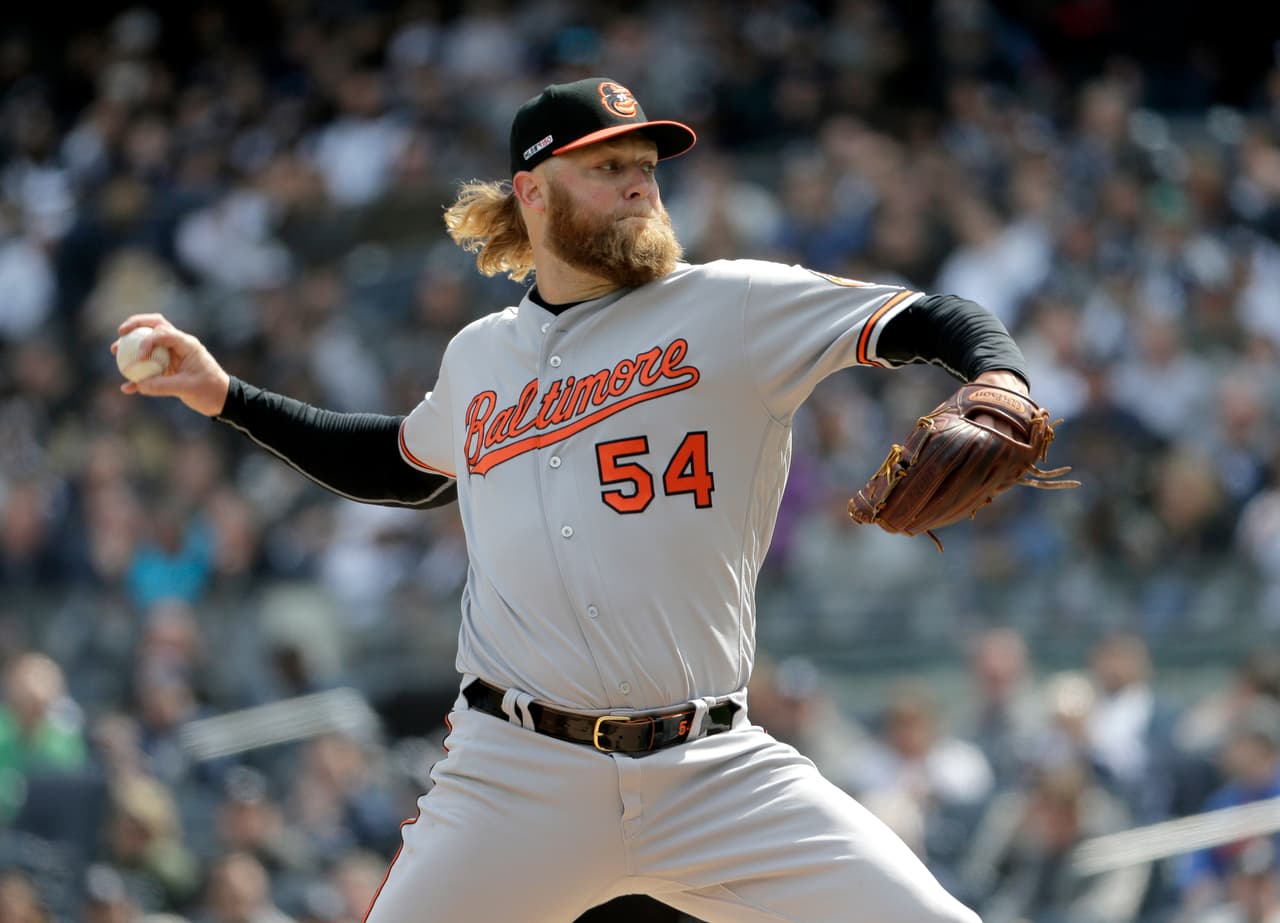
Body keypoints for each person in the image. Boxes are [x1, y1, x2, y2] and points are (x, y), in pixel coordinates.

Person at [111, 76, 1049, 923]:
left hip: (710, 766)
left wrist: (1000, 379)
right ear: (533, 192)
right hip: (514, 776)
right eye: (608, 167)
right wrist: (227, 396)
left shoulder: (734, 306)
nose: (641, 182)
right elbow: (400, 464)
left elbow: (939, 318)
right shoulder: (480, 356)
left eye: (646, 164)